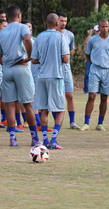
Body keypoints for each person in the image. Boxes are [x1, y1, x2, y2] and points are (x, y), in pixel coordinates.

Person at [0, 5, 42, 147]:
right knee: (28, 104)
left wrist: (7, 64)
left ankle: (12, 139)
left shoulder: (2, 32)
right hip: (21, 68)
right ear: (19, 16)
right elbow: (27, 39)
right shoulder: (23, 27)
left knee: (10, 106)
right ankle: (34, 138)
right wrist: (30, 56)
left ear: (7, 17)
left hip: (7, 70)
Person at [32, 13, 69, 149]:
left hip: (41, 77)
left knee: (44, 110)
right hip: (56, 76)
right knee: (60, 110)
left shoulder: (39, 37)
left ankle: (45, 141)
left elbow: (34, 60)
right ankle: (54, 140)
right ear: (56, 23)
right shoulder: (60, 37)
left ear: (45, 23)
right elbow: (65, 59)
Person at [80, 19, 109, 131]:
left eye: (106, 26)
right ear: (99, 28)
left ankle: (100, 123)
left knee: (104, 97)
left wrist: (107, 63)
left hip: (107, 70)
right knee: (92, 95)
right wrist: (95, 62)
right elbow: (87, 54)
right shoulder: (93, 40)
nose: (104, 29)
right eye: (102, 27)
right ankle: (86, 123)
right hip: (95, 69)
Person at [57, 12, 79, 129]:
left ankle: (72, 121)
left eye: (65, 21)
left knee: (69, 95)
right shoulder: (53, 35)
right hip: (54, 70)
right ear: (57, 21)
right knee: (55, 96)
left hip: (66, 70)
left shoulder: (69, 35)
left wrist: (65, 55)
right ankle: (56, 121)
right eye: (61, 21)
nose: (64, 23)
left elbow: (72, 50)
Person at [83, 25, 99, 94]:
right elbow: (86, 42)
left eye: (99, 31)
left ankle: (98, 90)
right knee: (87, 74)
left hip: (99, 60)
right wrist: (90, 33)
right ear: (94, 31)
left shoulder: (103, 38)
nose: (98, 32)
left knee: (99, 75)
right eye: (97, 31)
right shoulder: (92, 38)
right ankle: (86, 89)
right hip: (90, 59)